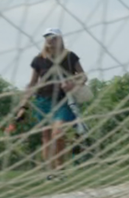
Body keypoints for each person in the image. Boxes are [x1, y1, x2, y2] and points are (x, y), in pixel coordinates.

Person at [15, 29, 86, 176]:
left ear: (60, 39)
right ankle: (50, 170)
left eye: (53, 37)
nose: (50, 40)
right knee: (46, 137)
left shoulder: (69, 57)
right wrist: (23, 106)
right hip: (43, 101)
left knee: (58, 132)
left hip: (63, 100)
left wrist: (73, 84)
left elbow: (83, 76)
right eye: (47, 37)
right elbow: (32, 84)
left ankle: (60, 168)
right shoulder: (39, 59)